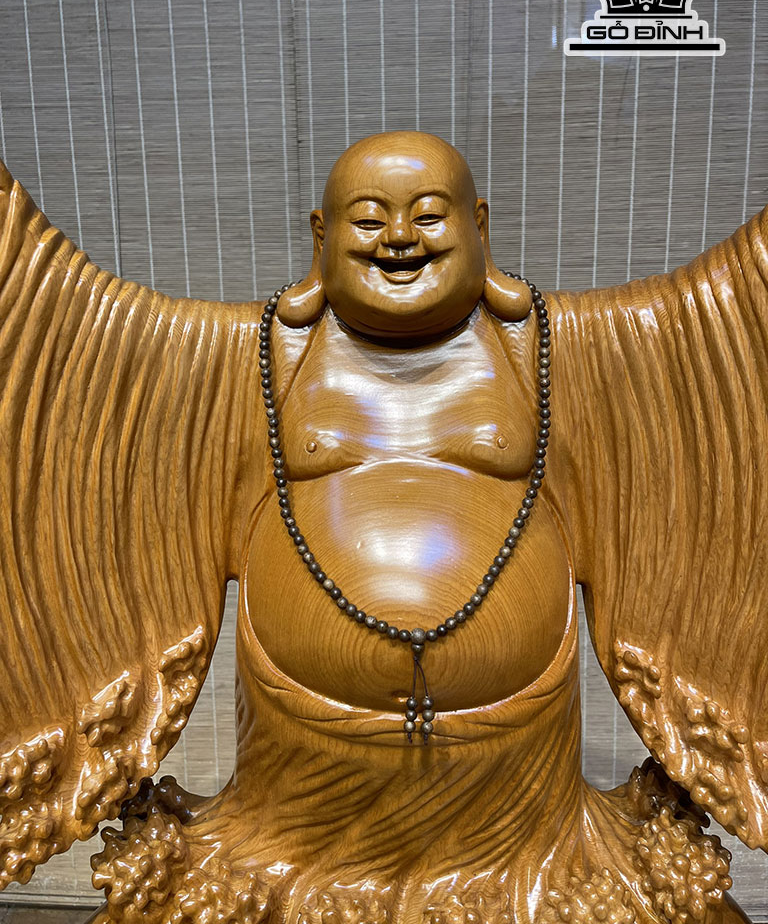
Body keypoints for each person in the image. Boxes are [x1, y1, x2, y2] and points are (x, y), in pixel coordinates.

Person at [0, 132, 762, 923]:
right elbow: (63, 339)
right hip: (290, 810)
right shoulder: (245, 360)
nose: (399, 238)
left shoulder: (562, 353)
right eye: (368, 220)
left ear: (480, 226)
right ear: (321, 236)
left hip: (529, 818)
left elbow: (725, 328)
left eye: (429, 216)